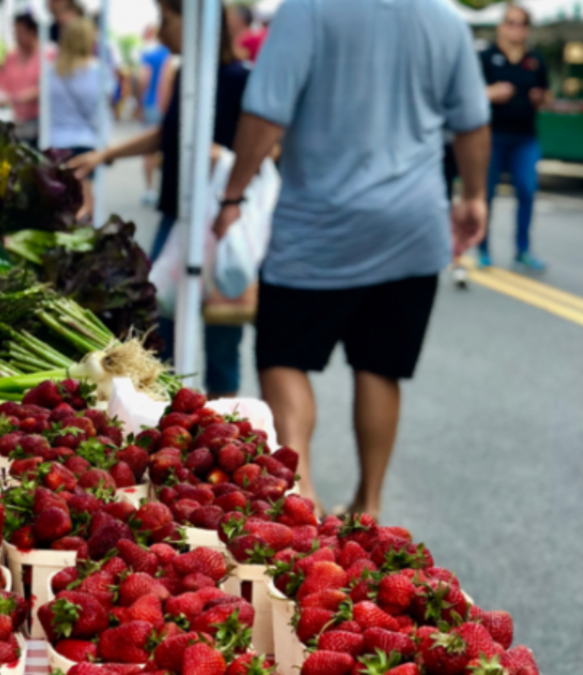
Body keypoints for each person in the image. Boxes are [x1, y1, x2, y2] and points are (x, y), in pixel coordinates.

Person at [210, 0, 491, 518]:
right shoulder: (445, 20)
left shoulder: (308, 11)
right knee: (380, 367)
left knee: (283, 356)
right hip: (412, 226)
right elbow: (472, 122)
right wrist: (474, 196)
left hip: (319, 227)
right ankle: (369, 505)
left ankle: (304, 493)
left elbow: (266, 111)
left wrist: (232, 196)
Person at [69, 0, 249, 399]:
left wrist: (222, 158)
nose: (160, 29)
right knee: (159, 324)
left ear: (196, 23)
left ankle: (226, 421)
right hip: (176, 217)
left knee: (221, 332)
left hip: (218, 221)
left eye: (166, 19)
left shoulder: (238, 78)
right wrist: (106, 155)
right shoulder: (186, 74)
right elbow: (166, 136)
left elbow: (268, 150)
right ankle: (167, 409)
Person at [478, 6, 549, 271]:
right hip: (491, 135)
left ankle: (523, 249)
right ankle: (482, 246)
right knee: (486, 192)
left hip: (525, 137)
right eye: (511, 23)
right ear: (501, 26)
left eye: (521, 24)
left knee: (526, 189)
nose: (516, 28)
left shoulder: (535, 61)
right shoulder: (486, 57)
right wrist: (491, 92)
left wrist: (540, 98)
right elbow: (468, 94)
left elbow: (547, 94)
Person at [48, 18, 103, 220]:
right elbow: (101, 112)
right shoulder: (97, 71)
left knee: (63, 198)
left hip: (55, 142)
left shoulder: (51, 71)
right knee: (86, 201)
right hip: (86, 141)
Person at [0, 13, 41, 145]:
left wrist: (15, 98)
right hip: (17, 121)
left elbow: (44, 89)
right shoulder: (11, 57)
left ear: (33, 32)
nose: (16, 36)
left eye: (20, 32)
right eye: (15, 32)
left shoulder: (47, 55)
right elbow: (2, 84)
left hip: (39, 123)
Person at [136, 26, 171, 206]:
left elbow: (143, 80)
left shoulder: (150, 55)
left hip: (152, 105)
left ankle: (150, 190)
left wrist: (140, 105)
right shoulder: (172, 54)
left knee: (149, 150)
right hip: (170, 107)